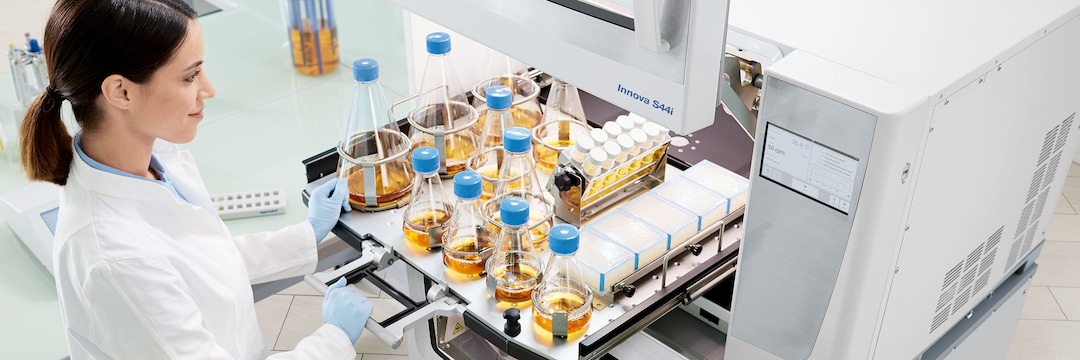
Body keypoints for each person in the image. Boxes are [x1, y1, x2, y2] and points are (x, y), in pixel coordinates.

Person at [18, 0, 371, 359]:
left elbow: (199, 264)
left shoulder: (146, 162)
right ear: (120, 92)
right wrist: (333, 339)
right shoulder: (116, 261)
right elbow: (157, 271)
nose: (209, 89)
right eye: (190, 76)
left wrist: (305, 235)